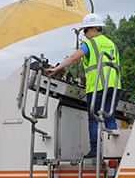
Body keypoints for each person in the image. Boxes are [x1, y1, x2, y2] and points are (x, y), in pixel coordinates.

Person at [45, 13, 121, 159]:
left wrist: (56, 69)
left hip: (98, 86)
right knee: (109, 118)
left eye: (85, 31)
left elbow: (74, 57)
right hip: (115, 87)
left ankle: (95, 150)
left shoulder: (90, 44)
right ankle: (114, 151)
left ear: (93, 28)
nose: (84, 35)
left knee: (94, 118)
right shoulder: (112, 43)